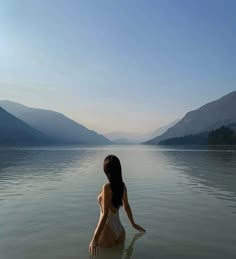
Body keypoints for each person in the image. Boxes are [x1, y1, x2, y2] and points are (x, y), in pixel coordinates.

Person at [89, 155, 145, 257]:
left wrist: (94, 239)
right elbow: (126, 205)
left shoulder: (107, 187)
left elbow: (105, 215)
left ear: (106, 170)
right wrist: (133, 224)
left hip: (107, 231)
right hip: (120, 232)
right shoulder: (122, 186)